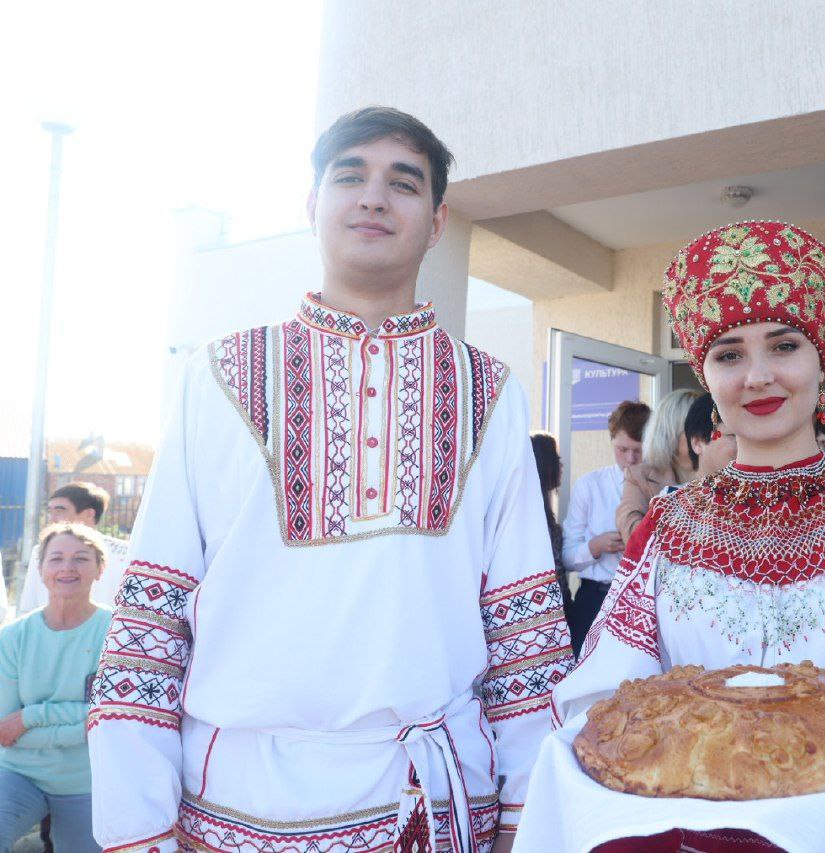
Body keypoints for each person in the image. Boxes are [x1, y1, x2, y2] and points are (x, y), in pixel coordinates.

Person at [86, 107, 571, 853]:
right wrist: (139, 825)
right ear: (313, 206)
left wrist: (525, 814)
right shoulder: (217, 375)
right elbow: (152, 621)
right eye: (351, 175)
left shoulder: (488, 390)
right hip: (238, 805)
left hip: (436, 805)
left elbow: (523, 630)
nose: (374, 197)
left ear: (437, 221)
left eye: (402, 183)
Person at [517, 221, 825, 852]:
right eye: (728, 354)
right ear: (706, 377)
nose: (757, 376)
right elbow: (605, 701)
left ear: (820, 359)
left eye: (784, 346)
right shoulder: (668, 527)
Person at [0, 523, 112, 853]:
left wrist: (30, 717)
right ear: (41, 569)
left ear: (99, 569)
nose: (67, 567)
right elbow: (4, 728)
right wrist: (80, 722)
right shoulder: (13, 637)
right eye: (56, 558)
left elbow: (108, 719)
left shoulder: (116, 634)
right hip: (20, 772)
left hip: (88, 781)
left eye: (80, 558)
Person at [561, 400, 649, 656]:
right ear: (611, 441)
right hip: (595, 598)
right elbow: (566, 557)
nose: (630, 459)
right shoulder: (589, 485)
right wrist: (594, 547)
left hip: (641, 600)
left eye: (638, 451)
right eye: (622, 449)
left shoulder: (661, 484)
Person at [17, 483, 130, 618]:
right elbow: (28, 606)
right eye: (50, 512)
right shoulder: (40, 551)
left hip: (106, 635)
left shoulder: (125, 553)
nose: (52, 519)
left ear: (89, 514)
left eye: (60, 511)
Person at [616, 389, 699, 540]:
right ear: (670, 433)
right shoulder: (639, 476)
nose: (705, 435)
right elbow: (631, 530)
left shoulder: (723, 473)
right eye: (695, 429)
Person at [530, 431, 571, 612]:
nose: (561, 465)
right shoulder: (532, 514)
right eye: (556, 459)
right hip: (548, 609)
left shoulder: (541, 509)